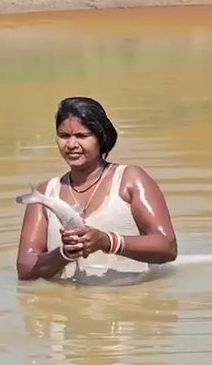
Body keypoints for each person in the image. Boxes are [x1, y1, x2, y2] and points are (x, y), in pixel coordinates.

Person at [16, 97, 178, 284]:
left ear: (101, 137)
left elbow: (167, 246)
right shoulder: (46, 194)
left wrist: (107, 241)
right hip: (69, 302)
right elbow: (25, 268)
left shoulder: (130, 180)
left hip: (130, 298)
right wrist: (65, 253)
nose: (71, 144)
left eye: (82, 136)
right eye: (64, 136)